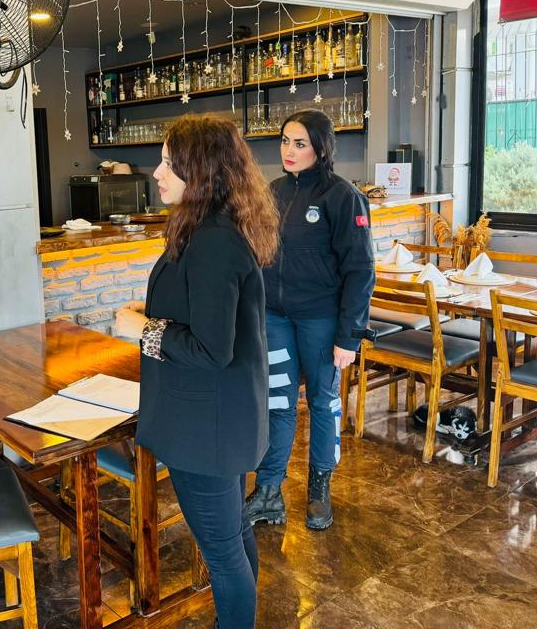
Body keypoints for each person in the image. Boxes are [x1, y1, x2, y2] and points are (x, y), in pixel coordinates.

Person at [115, 116, 279, 629]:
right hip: (215, 419)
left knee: (223, 553)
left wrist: (143, 330)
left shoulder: (213, 240)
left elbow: (211, 350)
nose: (156, 172)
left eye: (169, 162)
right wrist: (151, 315)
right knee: (233, 536)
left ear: (201, 169)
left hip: (207, 428)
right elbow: (204, 316)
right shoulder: (207, 228)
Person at [243, 109, 375, 531]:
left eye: (299, 143)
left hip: (321, 320)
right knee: (278, 403)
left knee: (322, 401)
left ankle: (319, 489)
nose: (289, 150)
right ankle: (268, 491)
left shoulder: (343, 196)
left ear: (320, 148)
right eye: (285, 141)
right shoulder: (273, 191)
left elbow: (361, 270)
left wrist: (349, 337)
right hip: (275, 318)